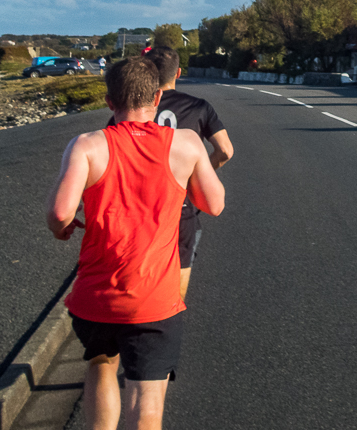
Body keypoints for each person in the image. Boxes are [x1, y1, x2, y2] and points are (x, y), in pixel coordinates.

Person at [47, 57, 225, 430]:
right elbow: (214, 204)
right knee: (145, 398)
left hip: (96, 293)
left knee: (100, 362)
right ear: (158, 97)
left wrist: (61, 228)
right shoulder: (187, 144)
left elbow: (61, 213)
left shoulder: (87, 145)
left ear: (109, 101)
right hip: (155, 298)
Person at [143, 47, 234, 299]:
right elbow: (225, 151)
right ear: (179, 73)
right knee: (175, 284)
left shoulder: (135, 108)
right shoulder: (199, 107)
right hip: (180, 205)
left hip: (138, 204)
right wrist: (197, 176)